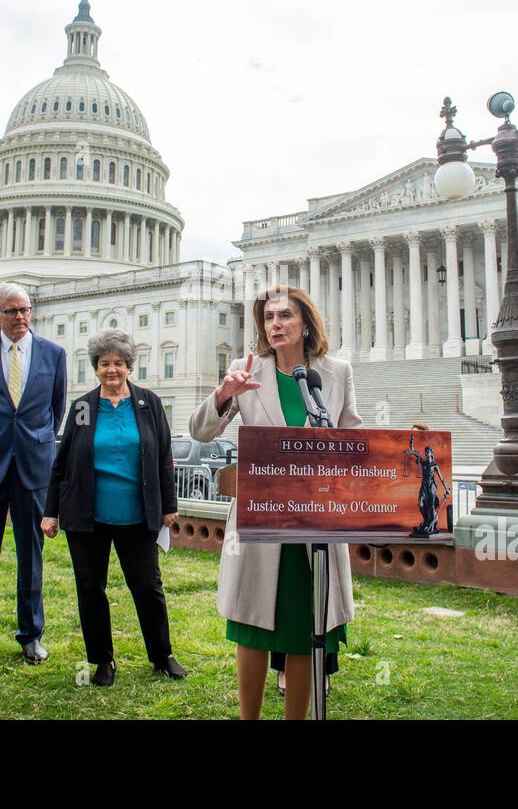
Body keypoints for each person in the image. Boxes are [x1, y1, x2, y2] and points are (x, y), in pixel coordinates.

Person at [190, 284, 361, 719]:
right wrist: (226, 394)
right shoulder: (246, 370)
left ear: (306, 323)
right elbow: (200, 432)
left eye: (285, 315)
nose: (275, 324)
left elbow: (353, 440)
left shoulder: (336, 372)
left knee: (305, 628)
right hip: (260, 523)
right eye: (268, 318)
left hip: (315, 525)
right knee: (251, 627)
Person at [41, 329, 183, 686]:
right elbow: (62, 463)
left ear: (129, 366)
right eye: (104, 363)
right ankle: (102, 660)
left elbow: (164, 457)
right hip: (87, 516)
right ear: (95, 367)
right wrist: (50, 510)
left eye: (118, 363)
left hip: (137, 515)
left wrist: (169, 505)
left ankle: (162, 655)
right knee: (90, 588)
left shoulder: (148, 404)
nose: (112, 370)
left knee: (147, 586)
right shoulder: (84, 408)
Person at [0, 282, 66, 665]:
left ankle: (31, 635)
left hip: (33, 467)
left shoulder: (54, 354)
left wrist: (33, 444)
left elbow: (57, 408)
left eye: (25, 310)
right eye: (12, 311)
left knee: (30, 556)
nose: (20, 317)